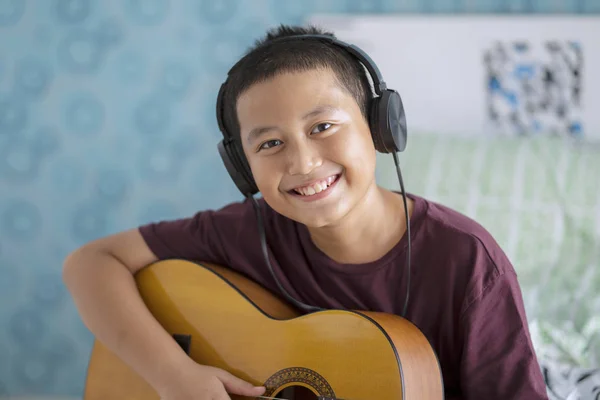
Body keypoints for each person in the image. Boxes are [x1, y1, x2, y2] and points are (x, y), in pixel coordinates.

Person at [63, 24, 549, 400]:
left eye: (322, 126)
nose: (301, 162)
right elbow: (89, 263)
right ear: (242, 167)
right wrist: (174, 376)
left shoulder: (468, 263)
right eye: (270, 143)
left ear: (380, 129)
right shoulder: (245, 232)